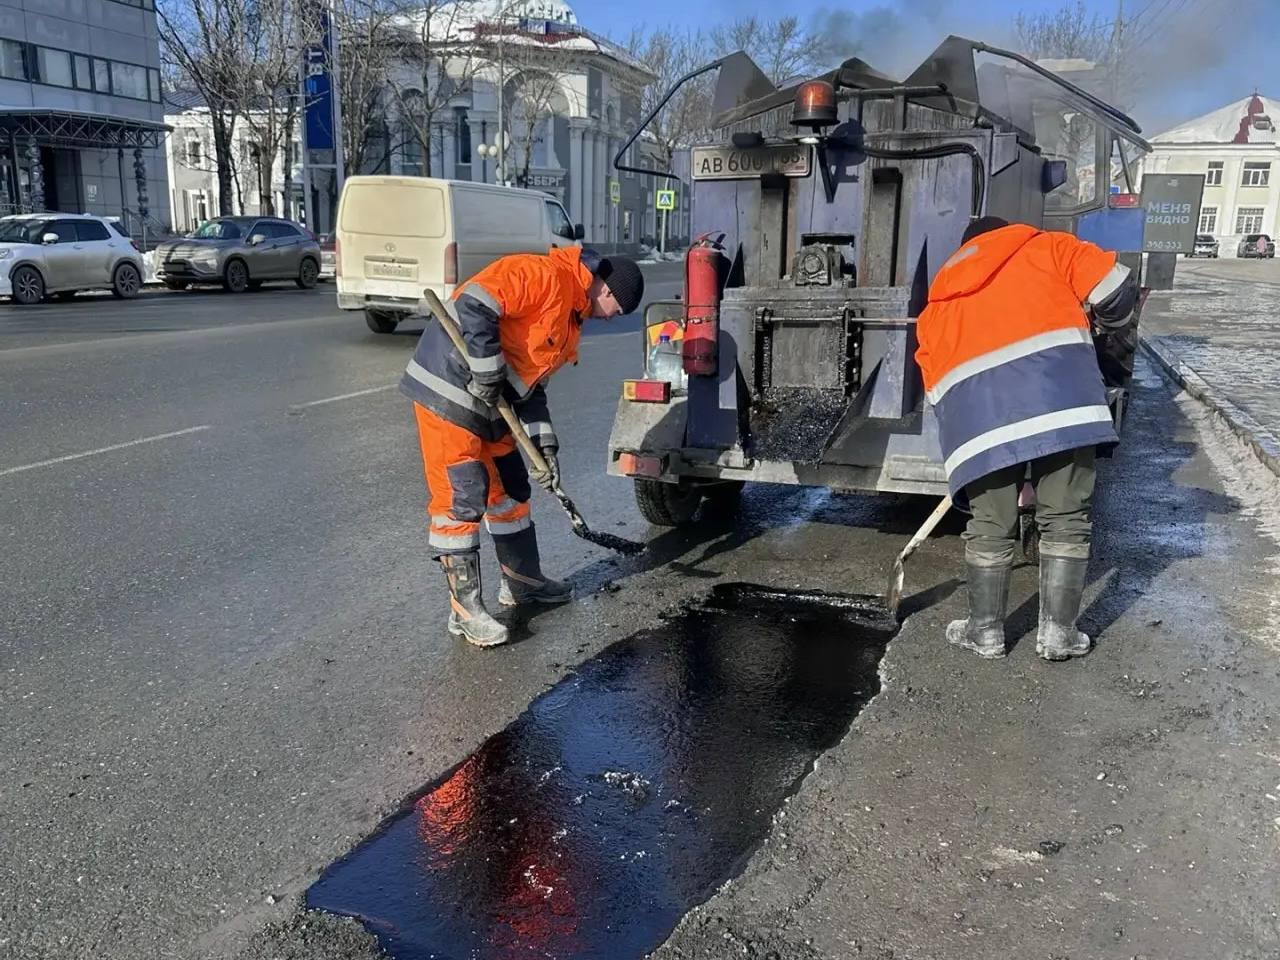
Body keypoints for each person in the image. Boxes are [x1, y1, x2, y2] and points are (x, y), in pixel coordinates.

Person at [915, 216, 1138, 661]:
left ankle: (985, 633)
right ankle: (1058, 636)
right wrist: (1106, 328)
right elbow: (1117, 290)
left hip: (979, 427)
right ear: (1007, 233)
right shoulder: (1051, 249)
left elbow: (934, 387)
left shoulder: (937, 302)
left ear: (964, 251)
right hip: (1062, 406)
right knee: (1066, 517)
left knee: (990, 524)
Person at [400, 247, 644, 648]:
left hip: (492, 403)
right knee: (461, 496)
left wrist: (544, 446)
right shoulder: (543, 274)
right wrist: (486, 367)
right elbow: (477, 302)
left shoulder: (571, 320)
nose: (614, 316)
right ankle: (464, 611)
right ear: (604, 285)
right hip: (449, 390)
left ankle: (522, 582)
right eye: (617, 305)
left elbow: (530, 391)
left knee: (511, 489)